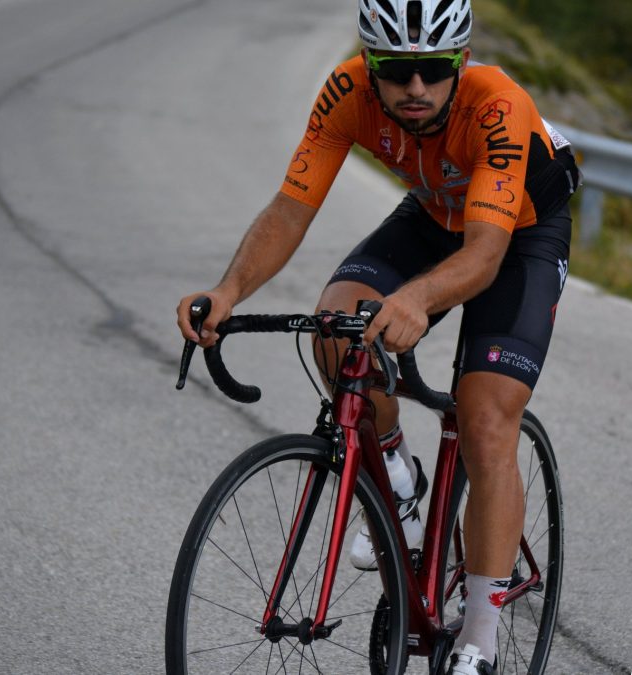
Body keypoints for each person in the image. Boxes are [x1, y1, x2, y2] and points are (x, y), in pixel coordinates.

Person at [176, 0, 579, 671]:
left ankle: (479, 635)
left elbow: (483, 256)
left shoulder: (496, 105)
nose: (414, 89)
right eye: (394, 70)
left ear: (461, 61)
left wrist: (418, 297)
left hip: (518, 233)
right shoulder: (346, 92)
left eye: (431, 71)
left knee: (483, 417)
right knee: (338, 326)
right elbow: (289, 207)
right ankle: (396, 477)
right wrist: (227, 291)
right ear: (369, 63)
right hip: (435, 211)